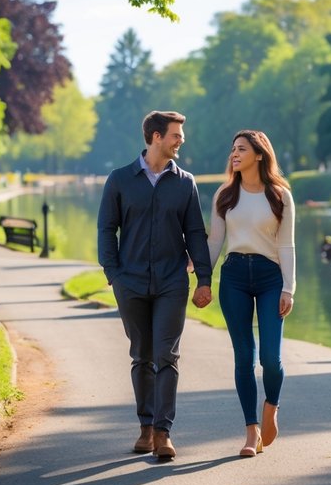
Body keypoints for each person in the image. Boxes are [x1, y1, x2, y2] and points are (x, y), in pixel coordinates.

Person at [97, 110, 213, 461]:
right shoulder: (119, 180)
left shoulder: (185, 182)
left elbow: (195, 232)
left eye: (181, 134)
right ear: (156, 137)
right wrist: (112, 274)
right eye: (176, 134)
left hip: (171, 283)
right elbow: (106, 230)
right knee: (141, 356)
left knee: (167, 356)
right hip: (129, 282)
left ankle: (163, 433)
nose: (181, 140)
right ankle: (145, 427)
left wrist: (204, 278)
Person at [206, 130, 295, 458]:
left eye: (241, 149)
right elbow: (215, 241)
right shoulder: (225, 194)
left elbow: (287, 245)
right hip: (234, 277)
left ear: (259, 154)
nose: (234, 154)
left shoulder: (280, 196)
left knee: (270, 358)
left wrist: (289, 287)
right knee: (244, 357)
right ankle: (250, 431)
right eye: (233, 150)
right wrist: (203, 278)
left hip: (271, 278)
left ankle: (270, 407)